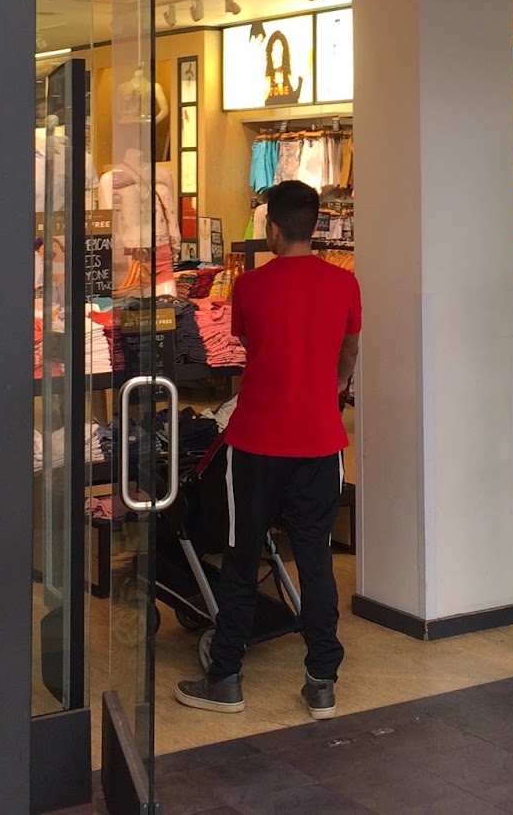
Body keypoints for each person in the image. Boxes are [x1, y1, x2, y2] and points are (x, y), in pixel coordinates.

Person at [176, 180, 361, 721]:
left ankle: (226, 678)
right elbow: (349, 347)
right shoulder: (345, 284)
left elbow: (251, 346)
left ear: (274, 229)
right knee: (316, 560)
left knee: (241, 558)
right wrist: (335, 382)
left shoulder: (251, 287)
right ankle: (322, 681)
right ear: (316, 225)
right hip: (320, 442)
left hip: (256, 441)